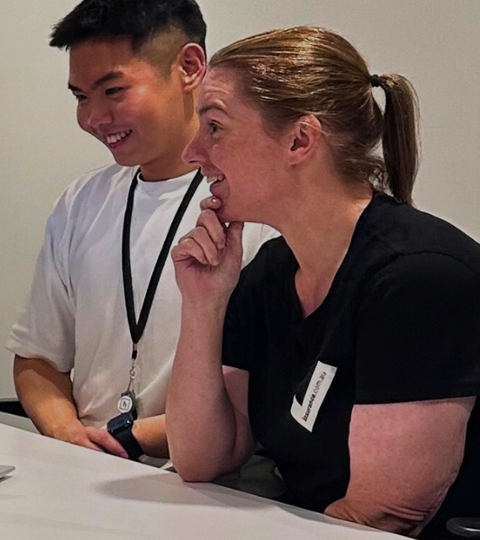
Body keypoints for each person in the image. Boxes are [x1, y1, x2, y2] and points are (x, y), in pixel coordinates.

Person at [167, 26, 480, 538]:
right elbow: (202, 459)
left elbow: (383, 516)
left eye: (215, 127)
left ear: (300, 140)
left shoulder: (420, 279)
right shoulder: (271, 270)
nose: (192, 152)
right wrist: (203, 304)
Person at [7, 0, 275, 462]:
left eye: (113, 91)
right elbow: (38, 358)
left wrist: (126, 440)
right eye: (80, 97)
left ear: (189, 67)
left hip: (211, 481)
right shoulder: (81, 202)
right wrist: (69, 435)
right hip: (86, 469)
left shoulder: (255, 210)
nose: (93, 118)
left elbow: (260, 398)